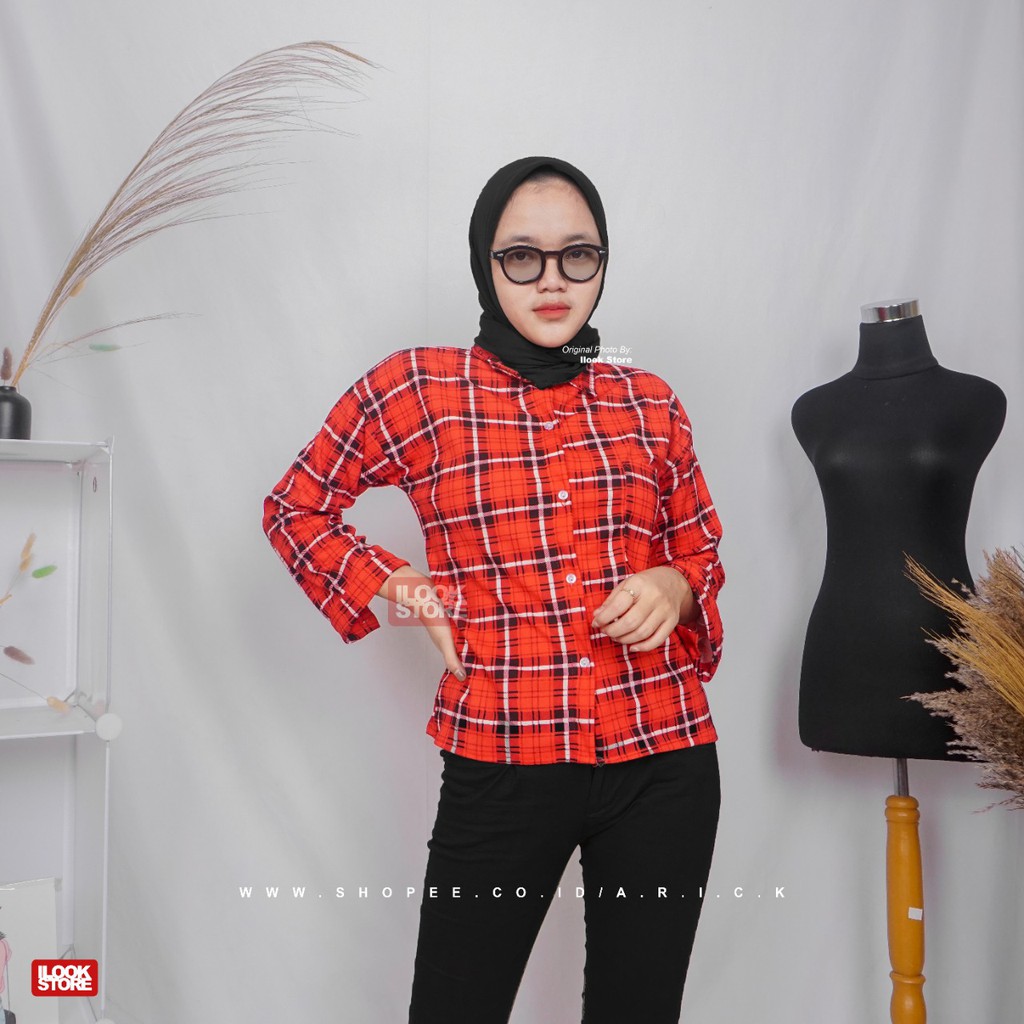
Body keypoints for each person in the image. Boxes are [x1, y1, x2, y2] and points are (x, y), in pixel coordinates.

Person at [263, 156, 725, 1024]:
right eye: (522, 256)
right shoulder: (418, 386)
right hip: (504, 751)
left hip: (663, 753)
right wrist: (395, 581)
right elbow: (296, 506)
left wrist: (676, 582)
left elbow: (698, 543)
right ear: (485, 262)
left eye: (577, 255)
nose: (552, 281)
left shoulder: (648, 399)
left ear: (603, 262)